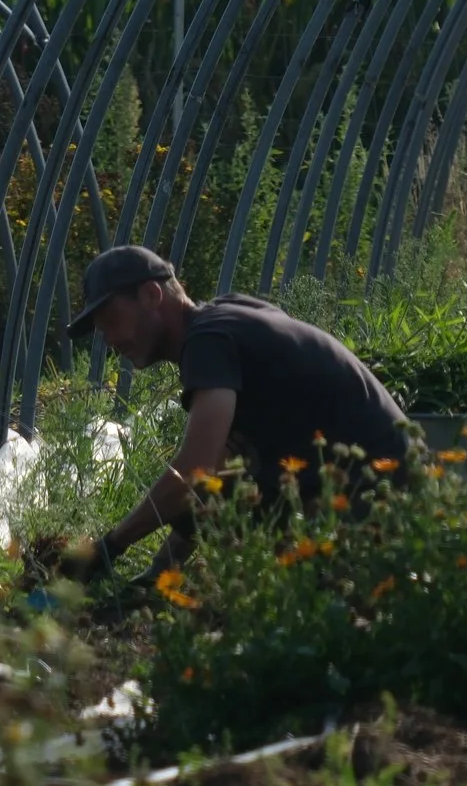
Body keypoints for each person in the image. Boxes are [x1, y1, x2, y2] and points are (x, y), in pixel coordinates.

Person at [57, 244, 409, 580]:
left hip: (379, 497)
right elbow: (215, 472)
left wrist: (110, 547)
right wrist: (161, 569)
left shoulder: (209, 340)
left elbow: (195, 470)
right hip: (380, 487)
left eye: (111, 321)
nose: (108, 340)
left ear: (151, 295)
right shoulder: (228, 316)